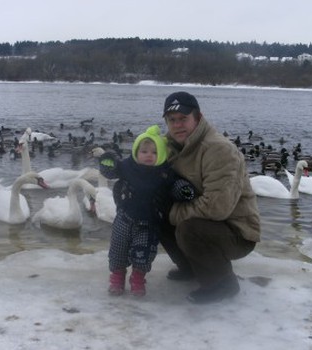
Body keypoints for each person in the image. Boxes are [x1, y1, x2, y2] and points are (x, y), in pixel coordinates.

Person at [160, 91, 261, 304]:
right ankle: (191, 268)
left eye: (184, 119)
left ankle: (222, 283)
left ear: (198, 117)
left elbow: (217, 208)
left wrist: (171, 212)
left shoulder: (219, 150)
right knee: (156, 214)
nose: (177, 125)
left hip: (236, 231)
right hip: (204, 219)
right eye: (172, 120)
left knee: (189, 228)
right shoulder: (167, 146)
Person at [99, 125, 196, 297]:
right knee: (118, 249)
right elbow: (113, 171)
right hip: (124, 218)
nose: (149, 155)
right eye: (144, 151)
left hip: (149, 222)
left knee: (143, 252)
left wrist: (183, 190)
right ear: (136, 152)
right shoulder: (127, 167)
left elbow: (174, 185)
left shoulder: (164, 173)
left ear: (161, 155)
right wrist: (108, 163)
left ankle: (138, 278)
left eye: (154, 152)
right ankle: (117, 277)